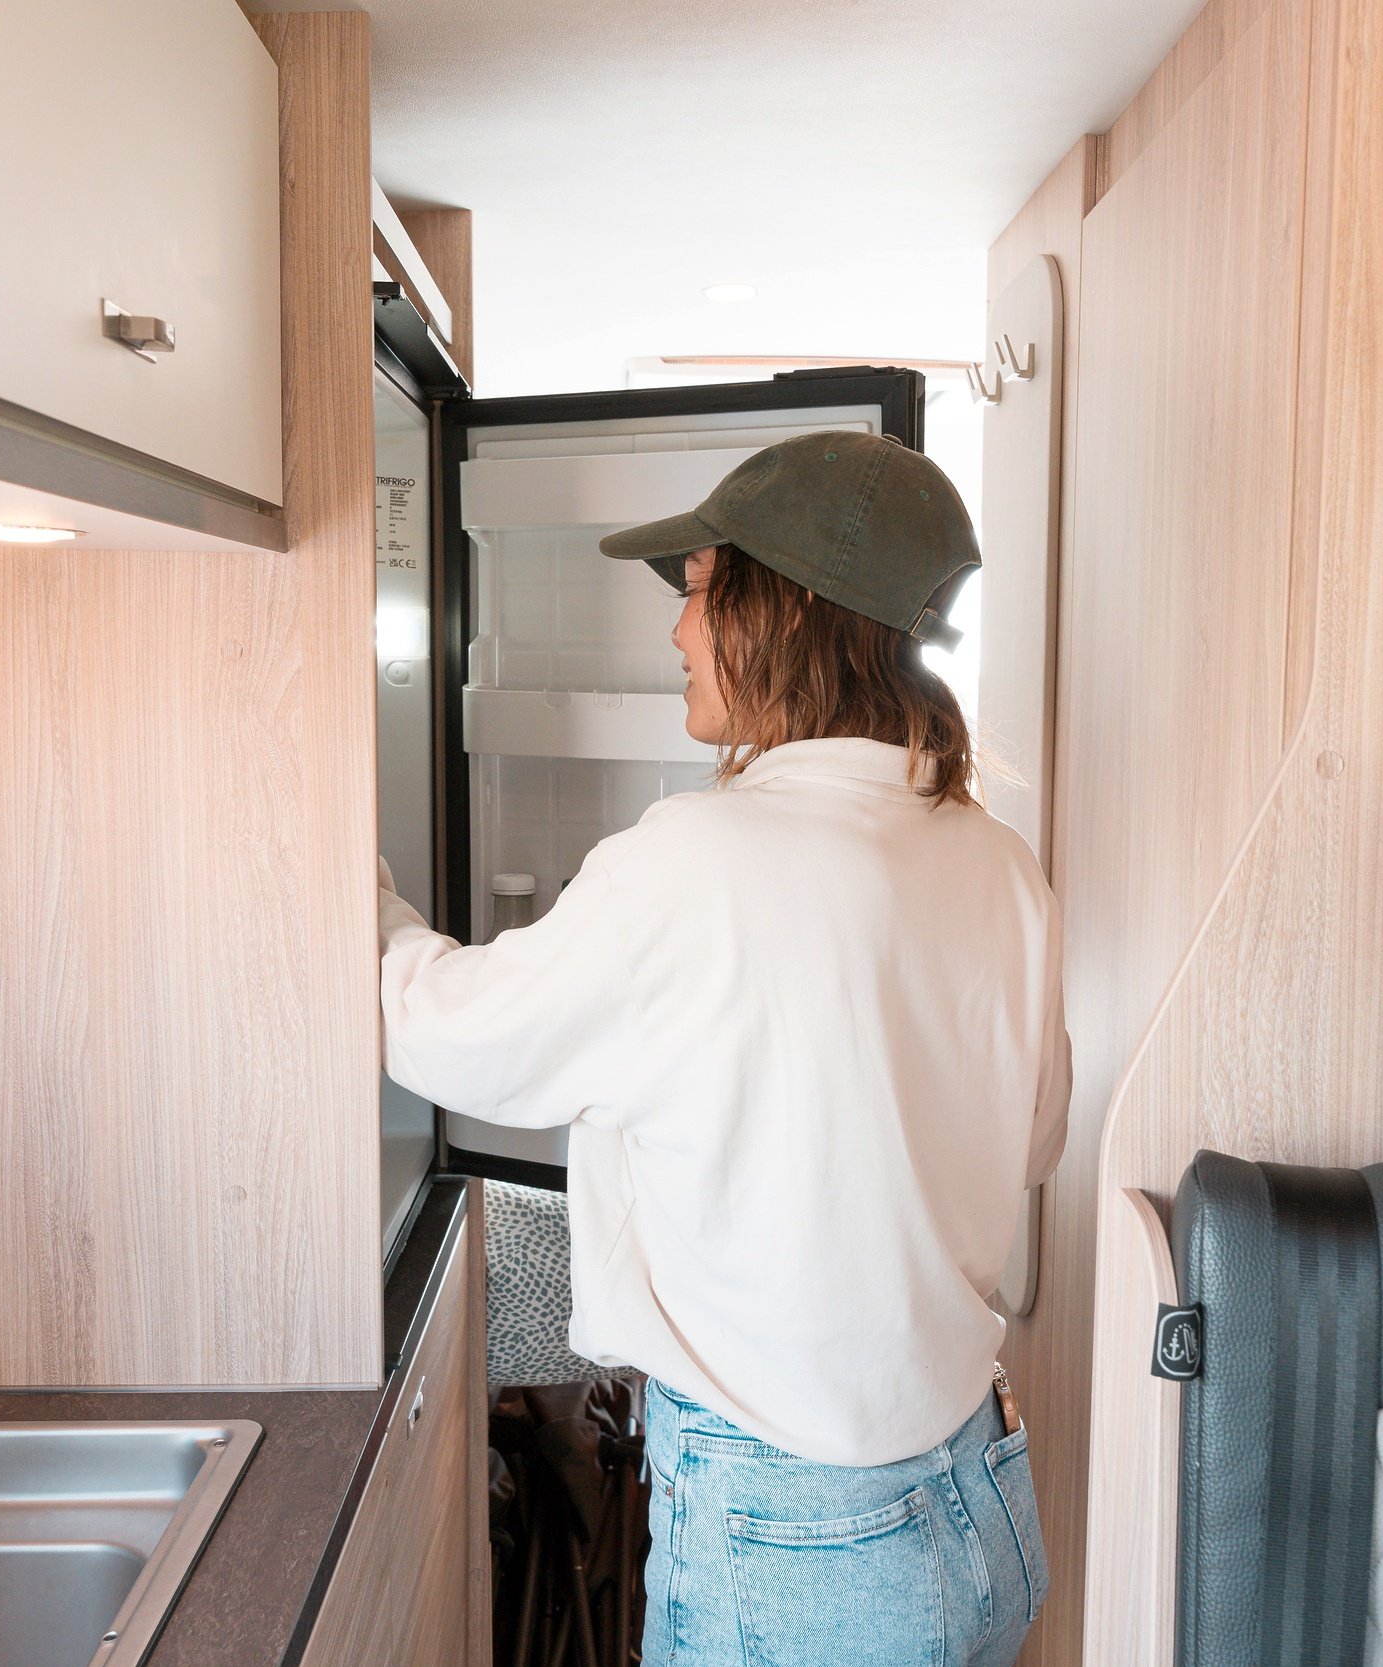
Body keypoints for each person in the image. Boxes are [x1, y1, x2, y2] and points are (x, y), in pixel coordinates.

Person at [377, 429, 1071, 1667]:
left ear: (784, 608)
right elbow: (1030, 1138)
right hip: (979, 1496)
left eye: (699, 587)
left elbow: (448, 1034)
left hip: (793, 1535)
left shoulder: (695, 859)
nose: (677, 629)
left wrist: (349, 885)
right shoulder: (999, 861)